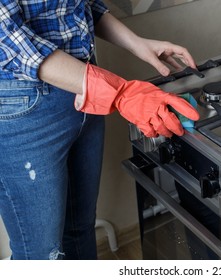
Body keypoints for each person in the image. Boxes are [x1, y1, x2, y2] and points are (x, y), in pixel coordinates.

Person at [0, 0, 199, 260]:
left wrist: (138, 43)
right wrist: (120, 93)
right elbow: (8, 38)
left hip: (87, 87)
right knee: (40, 255)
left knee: (80, 229)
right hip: (25, 110)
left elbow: (81, 4)